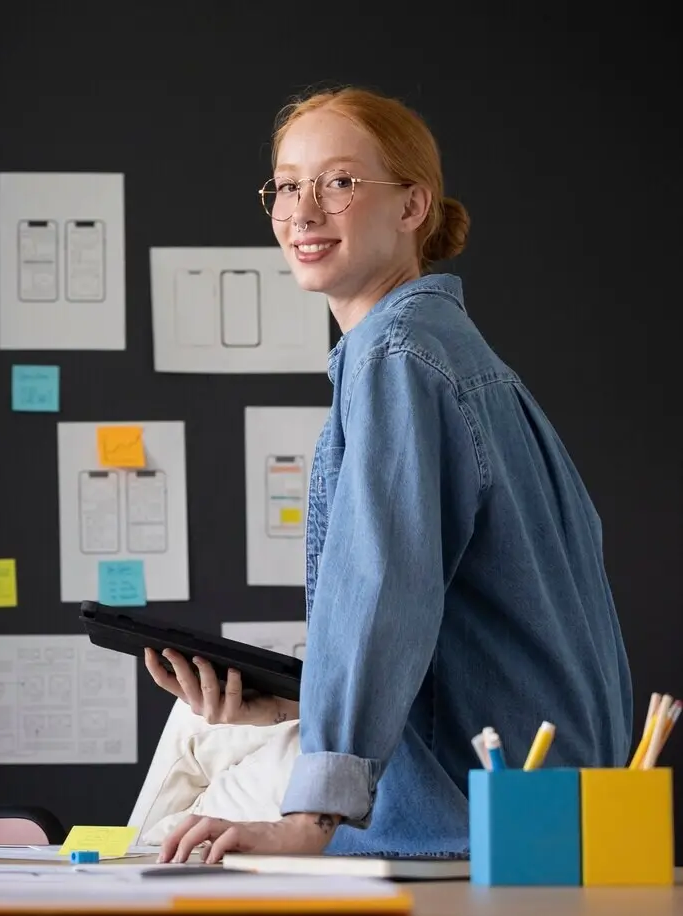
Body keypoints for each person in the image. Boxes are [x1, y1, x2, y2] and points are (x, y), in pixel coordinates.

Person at [145, 86, 633, 863]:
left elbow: (381, 591)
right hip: (543, 802)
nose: (303, 212)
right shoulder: (459, 358)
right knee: (201, 738)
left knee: (160, 833)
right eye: (286, 184)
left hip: (463, 813)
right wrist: (291, 699)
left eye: (338, 182)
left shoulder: (397, 359)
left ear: (412, 207)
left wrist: (309, 821)